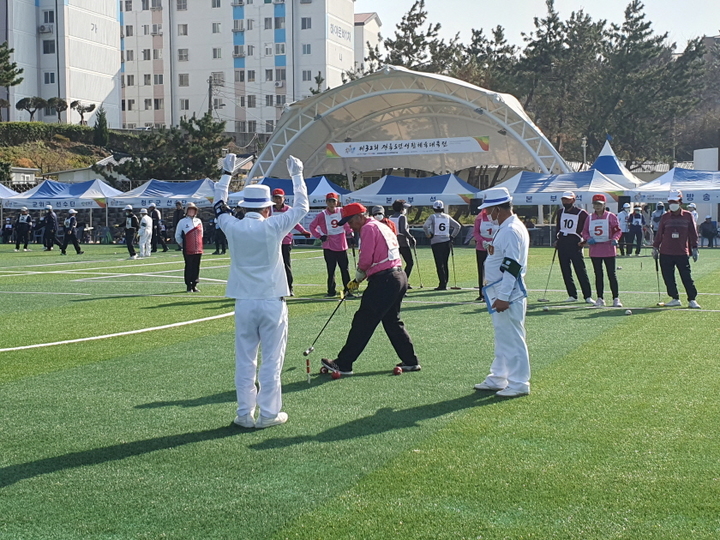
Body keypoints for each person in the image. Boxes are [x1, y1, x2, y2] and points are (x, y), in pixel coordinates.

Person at [213, 153, 309, 429]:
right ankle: (268, 414)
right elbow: (302, 206)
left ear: (244, 207)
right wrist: (297, 175)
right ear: (268, 208)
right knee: (271, 362)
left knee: (245, 361)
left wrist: (226, 173)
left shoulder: (232, 225)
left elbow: (219, 204)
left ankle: (245, 414)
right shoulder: (273, 225)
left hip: (244, 301)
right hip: (271, 300)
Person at [321, 202, 420, 376]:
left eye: (350, 221)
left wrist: (358, 278)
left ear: (360, 216)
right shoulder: (382, 226)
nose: (350, 226)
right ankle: (410, 361)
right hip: (399, 276)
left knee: (363, 321)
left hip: (385, 279)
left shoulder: (367, 229)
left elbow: (366, 258)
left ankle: (344, 364)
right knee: (392, 321)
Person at [473, 187, 530, 398]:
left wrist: (503, 297)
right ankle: (499, 377)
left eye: (489, 210)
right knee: (504, 336)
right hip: (501, 290)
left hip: (508, 292)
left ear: (498, 209)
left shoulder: (510, 230)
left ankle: (519, 382)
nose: (487, 215)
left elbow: (512, 266)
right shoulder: (508, 227)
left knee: (512, 338)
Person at [652, 190, 700, 308]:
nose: (672, 204)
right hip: (665, 252)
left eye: (675, 202)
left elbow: (693, 233)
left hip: (682, 252)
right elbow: (659, 233)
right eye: (670, 202)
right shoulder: (665, 216)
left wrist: (695, 248)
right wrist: (655, 247)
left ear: (680, 202)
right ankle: (675, 298)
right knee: (668, 277)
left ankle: (692, 299)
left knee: (686, 276)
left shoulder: (688, 216)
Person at [308, 192, 354, 298]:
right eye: (329, 201)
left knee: (345, 270)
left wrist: (350, 234)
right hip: (328, 246)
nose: (331, 203)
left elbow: (348, 223)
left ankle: (348, 291)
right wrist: (320, 236)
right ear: (326, 202)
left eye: (333, 201)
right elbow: (312, 226)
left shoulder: (342, 211)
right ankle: (331, 291)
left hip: (342, 245)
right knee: (331, 270)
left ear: (337, 202)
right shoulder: (322, 215)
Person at [581, 194, 623, 307]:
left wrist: (615, 238)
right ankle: (600, 298)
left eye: (599, 204)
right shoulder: (589, 217)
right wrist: (588, 238)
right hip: (595, 250)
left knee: (611, 274)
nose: (597, 206)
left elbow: (617, 230)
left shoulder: (611, 216)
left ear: (604, 204)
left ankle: (616, 298)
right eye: (595, 204)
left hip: (609, 249)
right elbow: (584, 231)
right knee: (598, 275)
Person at [554, 192, 594, 303]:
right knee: (565, 271)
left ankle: (587, 296)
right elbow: (558, 227)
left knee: (580, 270)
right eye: (564, 200)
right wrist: (556, 240)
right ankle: (572, 294)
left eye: (568, 200)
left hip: (575, 244)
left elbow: (588, 227)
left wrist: (584, 240)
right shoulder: (560, 212)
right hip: (563, 243)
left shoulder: (581, 213)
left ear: (573, 200)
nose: (565, 202)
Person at [272, 188, 311, 295]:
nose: (278, 200)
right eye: (276, 198)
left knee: (286, 264)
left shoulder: (289, 210)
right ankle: (274, 287)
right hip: (272, 241)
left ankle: (289, 288)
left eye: (279, 198)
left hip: (285, 241)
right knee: (273, 265)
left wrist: (303, 231)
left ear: (284, 198)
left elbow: (295, 223)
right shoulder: (269, 210)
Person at [422, 200, 461, 290]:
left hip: (436, 242)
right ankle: (445, 282)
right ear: (443, 208)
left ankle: (442, 284)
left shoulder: (432, 217)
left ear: (434, 208)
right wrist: (452, 236)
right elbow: (457, 226)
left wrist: (429, 235)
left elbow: (425, 226)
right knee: (445, 263)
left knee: (439, 264)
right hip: (446, 241)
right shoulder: (447, 216)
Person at [175, 202, 203, 293]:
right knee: (189, 266)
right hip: (188, 248)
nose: (192, 212)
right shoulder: (182, 222)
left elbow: (201, 234)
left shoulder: (198, 221)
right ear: (186, 211)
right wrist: (182, 244)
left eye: (193, 210)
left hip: (198, 248)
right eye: (190, 210)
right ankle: (188, 285)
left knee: (196, 266)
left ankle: (195, 284)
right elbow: (177, 235)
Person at [389, 200, 416, 286]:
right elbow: (403, 230)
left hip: (393, 242)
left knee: (396, 263)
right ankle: (404, 281)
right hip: (402, 241)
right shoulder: (402, 217)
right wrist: (411, 237)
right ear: (401, 209)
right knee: (410, 262)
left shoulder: (390, 217)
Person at [472, 205, 495, 302]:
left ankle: (494, 292)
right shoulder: (479, 218)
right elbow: (475, 232)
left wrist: (494, 242)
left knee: (494, 270)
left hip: (494, 247)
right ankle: (482, 293)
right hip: (481, 247)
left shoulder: (497, 217)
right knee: (481, 270)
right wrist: (482, 241)